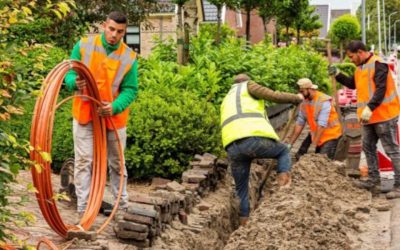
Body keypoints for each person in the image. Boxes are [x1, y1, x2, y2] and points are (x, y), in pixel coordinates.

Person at [64, 11, 138, 214]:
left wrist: (113, 107)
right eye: (112, 29)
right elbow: (69, 72)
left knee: (117, 163)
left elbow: (130, 90)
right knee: (84, 161)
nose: (114, 34)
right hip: (85, 113)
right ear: (104, 26)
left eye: (120, 31)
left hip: (112, 118)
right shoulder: (83, 46)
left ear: (124, 32)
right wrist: (73, 82)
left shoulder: (129, 57)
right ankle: (84, 209)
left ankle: (121, 208)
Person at [220, 74, 303, 226]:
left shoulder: (227, 98)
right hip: (251, 138)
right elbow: (273, 95)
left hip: (232, 147)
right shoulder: (248, 86)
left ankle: (243, 225)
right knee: (283, 151)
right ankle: (283, 192)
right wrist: (296, 97)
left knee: (242, 190)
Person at [328, 40, 400, 197]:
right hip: (368, 117)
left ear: (360, 52)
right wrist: (338, 74)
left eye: (351, 56)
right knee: (368, 147)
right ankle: (374, 180)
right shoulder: (359, 68)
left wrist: (370, 107)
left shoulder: (378, 64)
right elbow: (352, 85)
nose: (350, 60)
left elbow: (381, 89)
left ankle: (398, 186)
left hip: (384, 115)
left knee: (392, 150)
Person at [286, 78, 342, 160]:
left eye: (302, 91)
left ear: (310, 89)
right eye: (299, 91)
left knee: (321, 160)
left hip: (330, 135)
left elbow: (321, 125)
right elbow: (299, 123)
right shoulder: (304, 101)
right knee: (300, 155)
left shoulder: (324, 101)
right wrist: (290, 144)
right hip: (315, 133)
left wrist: (313, 146)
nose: (300, 94)